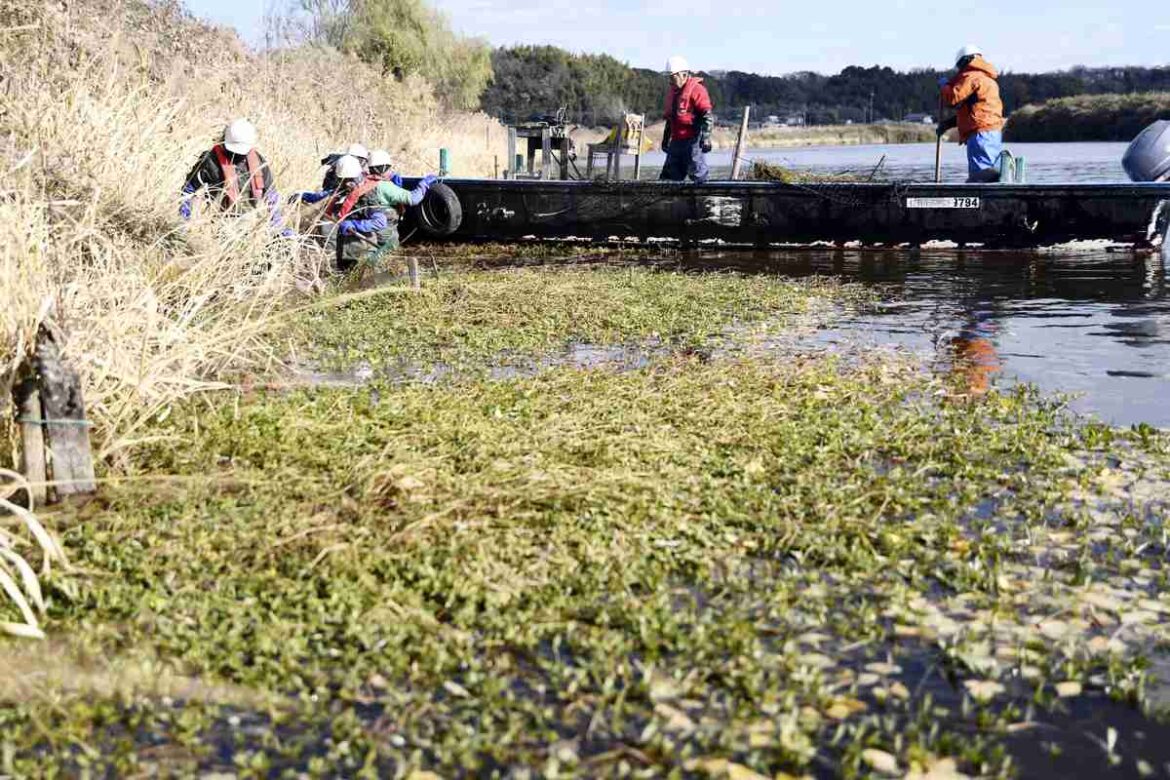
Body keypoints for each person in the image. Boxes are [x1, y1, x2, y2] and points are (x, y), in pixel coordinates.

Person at [295, 155, 437, 271]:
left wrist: (423, 184)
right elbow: (325, 195)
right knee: (352, 269)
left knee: (374, 266)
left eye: (350, 181)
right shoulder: (347, 189)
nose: (348, 184)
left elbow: (381, 220)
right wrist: (303, 196)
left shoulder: (374, 190)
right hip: (352, 243)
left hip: (373, 240)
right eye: (345, 181)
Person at [179, 119, 289, 233]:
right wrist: (184, 216)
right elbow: (189, 188)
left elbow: (271, 195)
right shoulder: (211, 160)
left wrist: (278, 225)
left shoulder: (258, 161)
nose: (237, 156)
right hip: (218, 225)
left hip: (253, 227)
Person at [937, 45, 1005, 183]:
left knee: (981, 176)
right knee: (988, 174)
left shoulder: (972, 77)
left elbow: (953, 97)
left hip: (980, 135)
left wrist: (944, 86)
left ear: (966, 61)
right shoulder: (989, 81)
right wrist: (947, 124)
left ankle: (979, 200)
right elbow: (973, 111)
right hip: (992, 134)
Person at [659, 55, 714, 184]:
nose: (670, 81)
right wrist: (665, 139)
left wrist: (706, 138)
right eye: (669, 78)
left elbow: (707, 116)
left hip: (693, 141)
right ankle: (667, 202)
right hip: (676, 142)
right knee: (668, 178)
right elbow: (670, 120)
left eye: (672, 77)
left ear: (683, 75)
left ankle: (704, 199)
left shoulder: (697, 90)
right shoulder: (673, 92)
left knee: (698, 175)